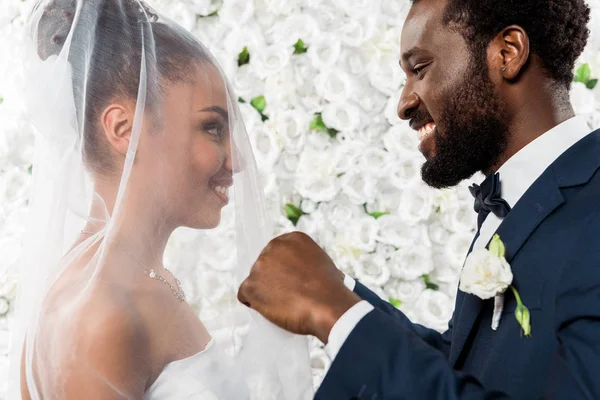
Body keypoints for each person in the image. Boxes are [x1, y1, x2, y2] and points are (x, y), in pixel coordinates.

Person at [237, 0, 600, 398]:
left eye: (420, 69)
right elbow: (469, 370)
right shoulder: (514, 199)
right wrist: (334, 287)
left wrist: (336, 314)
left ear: (507, 53)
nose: (404, 104)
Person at [8, 0, 313, 398]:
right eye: (212, 127)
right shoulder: (102, 311)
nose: (237, 161)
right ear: (123, 129)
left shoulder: (133, 279)